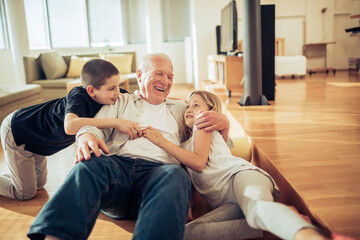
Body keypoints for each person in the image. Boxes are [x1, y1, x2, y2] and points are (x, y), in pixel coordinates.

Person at [27, 53, 231, 240]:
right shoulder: (120, 101)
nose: (166, 81)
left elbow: (215, 144)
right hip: (118, 171)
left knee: (176, 175)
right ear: (140, 75)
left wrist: (224, 124)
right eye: (159, 73)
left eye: (170, 76)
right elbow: (93, 128)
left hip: (159, 176)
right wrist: (85, 137)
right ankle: (55, 236)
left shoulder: (180, 108)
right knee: (87, 166)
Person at [142, 90, 331, 240]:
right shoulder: (183, 148)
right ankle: (276, 223)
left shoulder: (203, 125)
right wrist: (186, 206)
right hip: (228, 202)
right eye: (187, 106)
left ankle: (309, 235)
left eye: (196, 104)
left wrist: (162, 142)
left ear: (210, 112)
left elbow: (199, 162)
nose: (189, 109)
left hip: (240, 177)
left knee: (256, 209)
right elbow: (190, 181)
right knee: (187, 232)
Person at [0, 59, 133, 200]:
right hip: (20, 131)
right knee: (25, 193)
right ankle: (19, 176)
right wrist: (116, 122)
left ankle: (19, 174)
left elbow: (135, 101)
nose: (117, 92)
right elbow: (70, 126)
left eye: (118, 86)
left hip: (39, 141)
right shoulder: (78, 95)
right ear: (91, 91)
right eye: (111, 88)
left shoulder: (115, 96)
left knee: (39, 184)